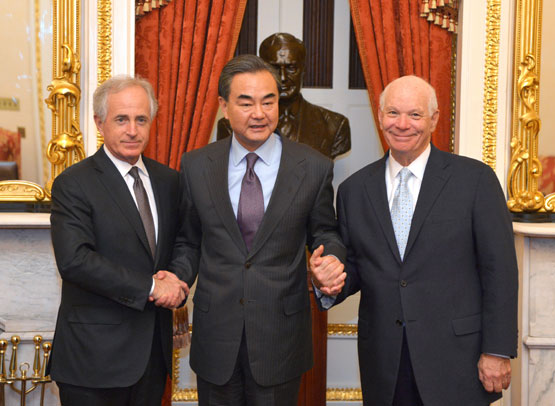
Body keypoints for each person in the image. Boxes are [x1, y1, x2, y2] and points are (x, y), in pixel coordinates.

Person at [310, 75, 518, 405]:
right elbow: (356, 268)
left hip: (457, 359)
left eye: (415, 115)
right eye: (393, 113)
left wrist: (496, 350)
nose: (402, 124)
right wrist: (328, 281)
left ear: (434, 119)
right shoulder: (354, 191)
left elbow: (500, 272)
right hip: (384, 361)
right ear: (380, 117)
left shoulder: (474, 180)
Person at [168, 54, 346, 405]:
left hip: (281, 338)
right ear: (223, 106)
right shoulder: (196, 165)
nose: (260, 113)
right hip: (216, 336)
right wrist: (177, 277)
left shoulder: (313, 167)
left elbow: (326, 233)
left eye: (269, 101)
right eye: (246, 103)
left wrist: (332, 261)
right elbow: (189, 242)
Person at [49, 75, 190, 406]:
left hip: (152, 359)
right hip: (92, 360)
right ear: (99, 123)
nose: (133, 130)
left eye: (141, 119)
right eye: (121, 119)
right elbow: (75, 260)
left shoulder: (169, 181)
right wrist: (153, 288)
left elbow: (185, 241)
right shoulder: (73, 183)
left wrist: (178, 278)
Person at [217, 32, 351, 159]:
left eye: (291, 68)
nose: (282, 77)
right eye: (274, 68)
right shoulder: (229, 125)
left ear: (303, 69)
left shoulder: (334, 125)